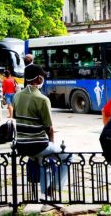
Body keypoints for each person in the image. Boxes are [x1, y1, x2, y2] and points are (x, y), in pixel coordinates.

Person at [13, 64, 71, 197]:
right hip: (38, 145)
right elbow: (49, 128)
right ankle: (53, 188)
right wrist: (51, 145)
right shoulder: (42, 99)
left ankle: (46, 195)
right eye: (42, 77)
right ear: (38, 79)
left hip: (21, 145)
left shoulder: (17, 96)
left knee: (43, 161)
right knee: (67, 157)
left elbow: (16, 117)